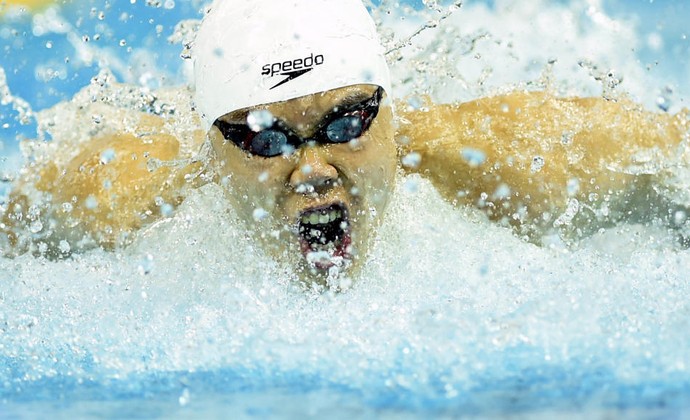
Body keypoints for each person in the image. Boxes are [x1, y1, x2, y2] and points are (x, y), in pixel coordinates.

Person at [2, 0, 688, 281]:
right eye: (264, 140)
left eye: (347, 124)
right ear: (211, 149)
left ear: (391, 116)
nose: (312, 170)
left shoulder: (527, 158)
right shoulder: (113, 197)